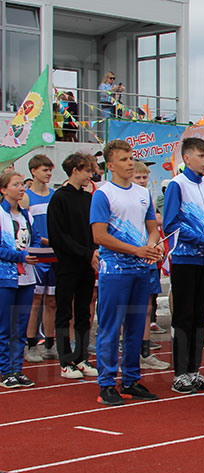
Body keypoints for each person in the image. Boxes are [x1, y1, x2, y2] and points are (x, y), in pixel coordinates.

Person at [89, 140, 161, 404]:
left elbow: (152, 227)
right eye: (123, 159)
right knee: (110, 327)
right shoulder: (103, 194)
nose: (130, 163)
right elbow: (99, 235)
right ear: (110, 166)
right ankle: (107, 383)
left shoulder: (143, 193)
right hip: (115, 270)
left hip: (141, 269)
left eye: (131, 158)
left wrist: (151, 246)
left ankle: (131, 379)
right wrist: (136, 250)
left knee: (135, 326)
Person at [163, 138, 204, 394]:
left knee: (200, 317)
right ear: (187, 158)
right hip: (184, 259)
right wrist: (202, 239)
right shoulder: (178, 185)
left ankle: (194, 370)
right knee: (183, 316)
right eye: (200, 155)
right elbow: (171, 224)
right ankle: (180, 373)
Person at [47, 153, 99, 378]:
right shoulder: (59, 198)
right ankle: (65, 360)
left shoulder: (88, 199)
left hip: (88, 264)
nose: (90, 175)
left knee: (84, 313)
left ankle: (81, 357)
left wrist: (92, 253)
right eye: (87, 171)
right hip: (68, 265)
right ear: (74, 170)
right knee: (64, 312)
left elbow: (94, 230)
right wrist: (86, 253)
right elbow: (59, 236)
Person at [0, 170, 40, 389]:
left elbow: (32, 241)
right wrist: (20, 256)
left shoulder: (26, 215)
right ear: (4, 189)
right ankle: (5, 370)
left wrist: (39, 253)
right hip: (5, 277)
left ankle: (17, 369)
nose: (21, 188)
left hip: (27, 277)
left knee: (20, 326)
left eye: (21, 184)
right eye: (16, 185)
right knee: (4, 326)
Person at [132, 162, 170, 371]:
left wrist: (155, 244)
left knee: (146, 308)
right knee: (128, 309)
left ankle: (145, 351)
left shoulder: (147, 199)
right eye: (138, 178)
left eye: (144, 178)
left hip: (148, 261)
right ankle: (129, 349)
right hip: (128, 261)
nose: (142, 182)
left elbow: (154, 227)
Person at [23, 155, 56, 363]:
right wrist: (44, 240)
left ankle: (50, 344)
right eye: (45, 169)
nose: (48, 173)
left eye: (50, 170)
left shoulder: (54, 195)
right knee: (35, 301)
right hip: (37, 253)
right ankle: (31, 343)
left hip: (53, 253)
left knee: (52, 300)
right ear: (33, 171)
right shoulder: (26, 197)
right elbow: (26, 227)